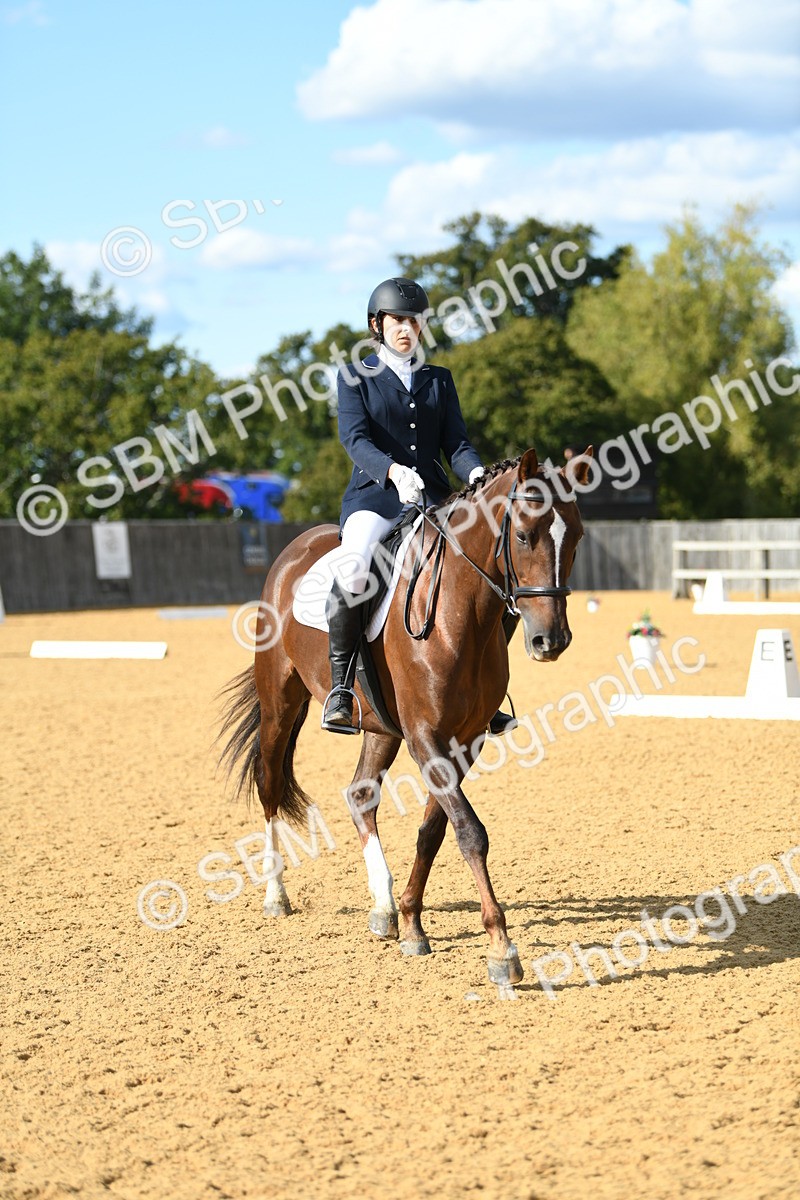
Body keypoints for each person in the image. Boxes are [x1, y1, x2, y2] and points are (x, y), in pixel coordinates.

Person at [321, 276, 518, 736]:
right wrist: (392, 471)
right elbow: (355, 439)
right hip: (375, 497)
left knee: (494, 567)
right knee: (354, 568)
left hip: (433, 499)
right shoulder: (355, 377)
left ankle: (488, 690)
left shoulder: (438, 380)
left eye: (414, 320)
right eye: (397, 321)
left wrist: (475, 473)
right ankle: (342, 688)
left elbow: (457, 443)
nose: (406, 328)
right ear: (378, 325)